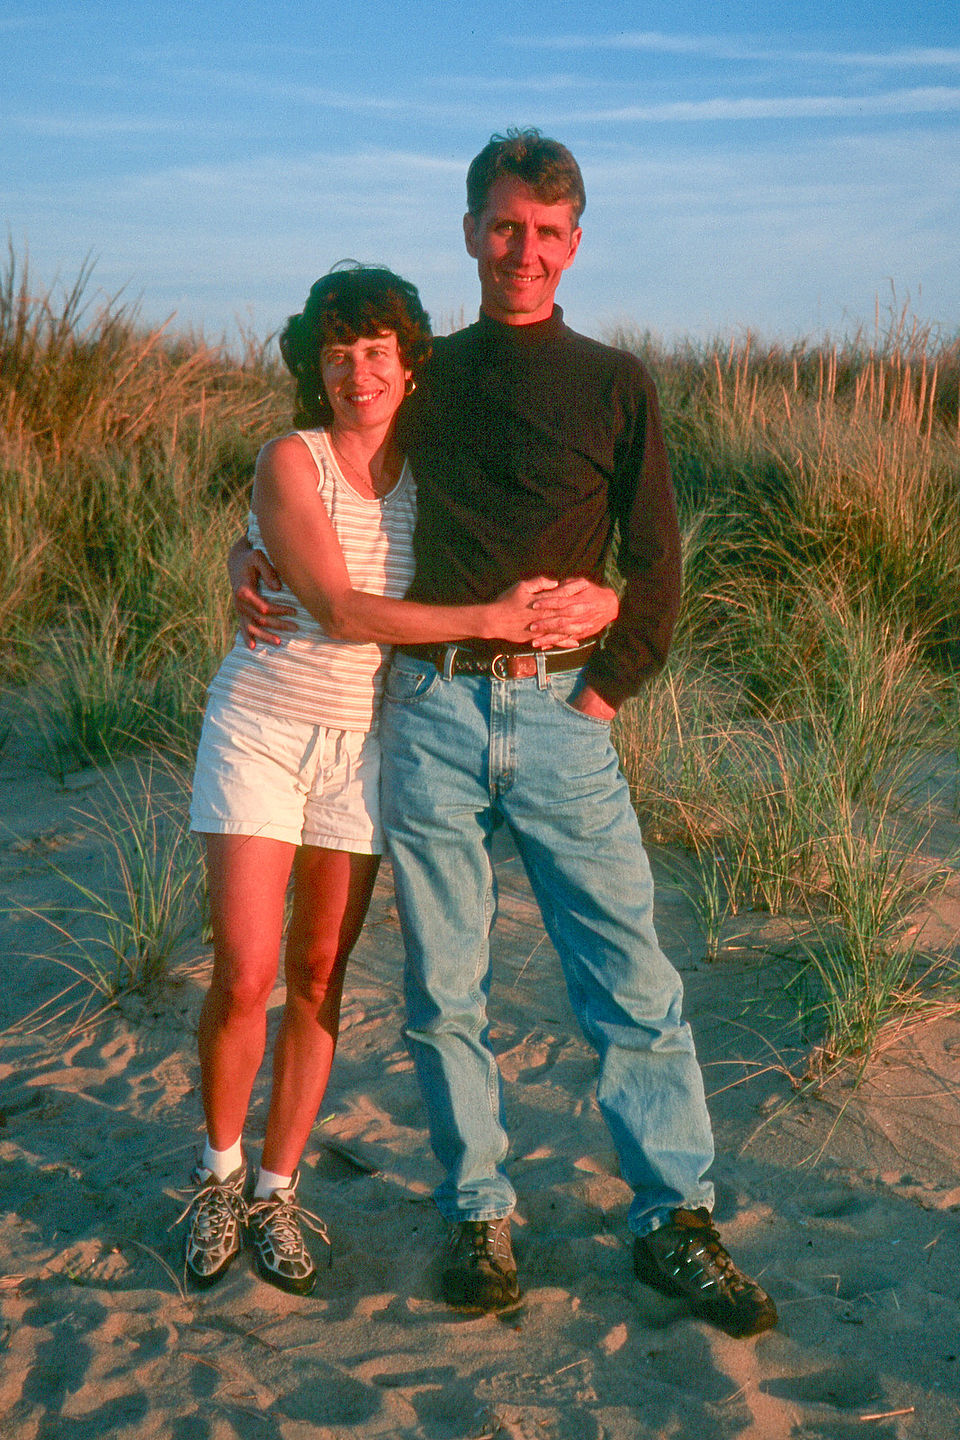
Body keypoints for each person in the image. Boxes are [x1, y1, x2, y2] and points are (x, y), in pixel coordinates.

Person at [235, 132, 777, 1339]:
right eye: (501, 227)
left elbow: (658, 560)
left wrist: (603, 684)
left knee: (631, 983)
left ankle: (672, 1221)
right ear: (471, 231)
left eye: (546, 233)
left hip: (563, 716)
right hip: (428, 711)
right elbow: (331, 471)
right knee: (444, 991)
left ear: (573, 244)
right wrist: (249, 551)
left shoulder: (615, 379)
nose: (522, 252)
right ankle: (477, 1213)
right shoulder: (432, 377)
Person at [182, 263, 616, 1296]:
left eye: (378, 351)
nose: (359, 372)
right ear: (315, 369)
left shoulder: (435, 467)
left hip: (366, 742)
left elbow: (535, 526)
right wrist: (490, 618)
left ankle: (279, 1191)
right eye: (338, 355)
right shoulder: (291, 457)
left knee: (321, 974)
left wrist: (597, 600)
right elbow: (335, 608)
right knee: (246, 975)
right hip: (262, 729)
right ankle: (217, 1174)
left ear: (410, 365)